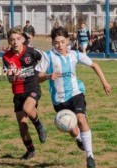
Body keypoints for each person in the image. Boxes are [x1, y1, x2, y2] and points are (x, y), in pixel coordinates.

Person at [36, 26, 111, 168]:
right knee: (71, 128)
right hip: (58, 99)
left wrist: (105, 83)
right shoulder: (48, 56)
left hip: (76, 93)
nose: (59, 45)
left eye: (62, 42)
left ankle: (90, 156)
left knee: (81, 119)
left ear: (67, 41)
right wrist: (47, 76)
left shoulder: (74, 55)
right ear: (53, 42)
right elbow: (37, 76)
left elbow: (94, 65)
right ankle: (78, 138)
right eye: (56, 42)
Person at [2, 26, 47, 160]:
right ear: (9, 41)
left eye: (18, 39)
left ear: (23, 39)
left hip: (33, 87)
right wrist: (12, 74)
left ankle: (39, 125)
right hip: (18, 92)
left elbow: (46, 59)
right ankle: (30, 150)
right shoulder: (6, 57)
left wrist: (41, 73)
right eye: (12, 40)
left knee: (28, 108)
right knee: (22, 126)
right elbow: (10, 80)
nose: (15, 42)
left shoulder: (32, 52)